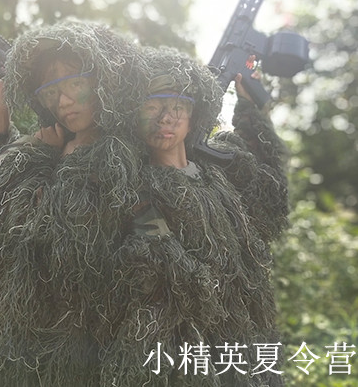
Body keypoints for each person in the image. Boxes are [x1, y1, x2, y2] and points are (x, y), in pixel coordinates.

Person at [0, 20, 147, 386]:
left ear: (102, 84)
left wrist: (41, 159)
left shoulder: (121, 157)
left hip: (82, 346)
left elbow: (71, 242)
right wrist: (1, 124)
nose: (63, 102)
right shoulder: (50, 142)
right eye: (51, 92)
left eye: (75, 85)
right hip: (16, 339)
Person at [99, 46, 289, 386]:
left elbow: (271, 196)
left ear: (193, 115)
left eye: (177, 106)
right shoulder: (136, 193)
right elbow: (170, 274)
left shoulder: (219, 173)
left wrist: (250, 108)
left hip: (249, 346)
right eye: (151, 107)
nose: (165, 118)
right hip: (189, 358)